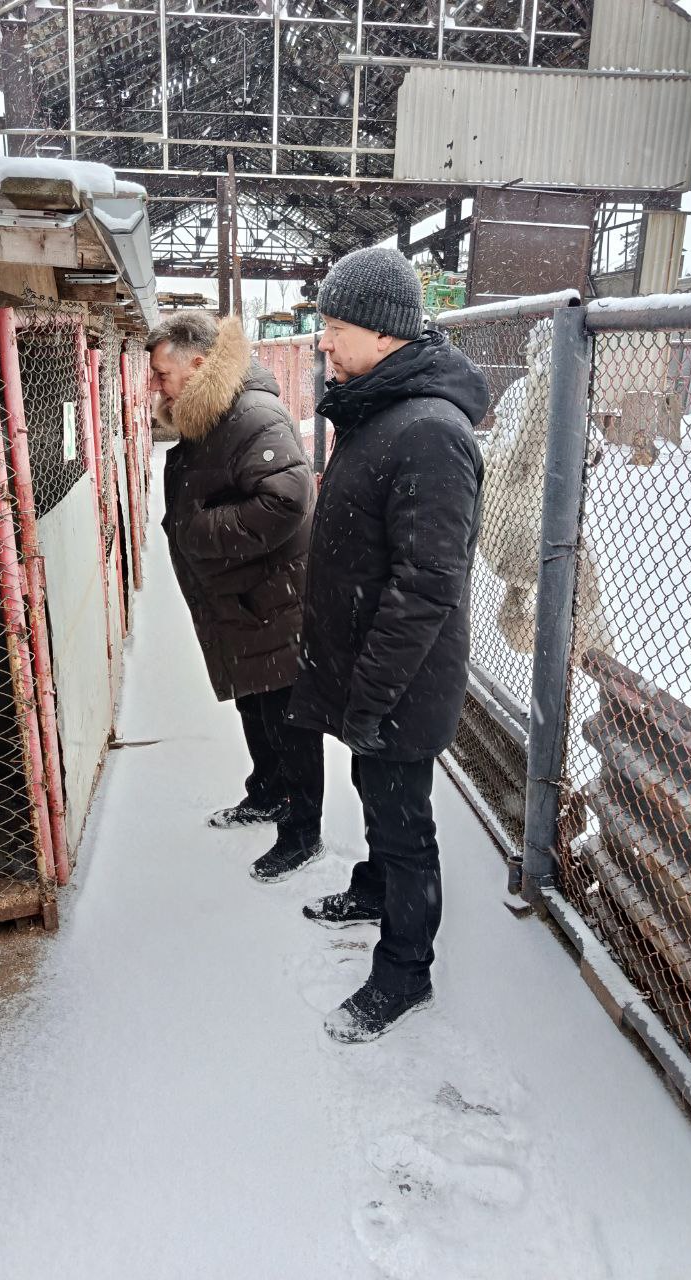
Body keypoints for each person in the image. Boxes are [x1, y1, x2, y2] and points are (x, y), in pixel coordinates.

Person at [288, 247, 489, 1043]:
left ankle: (405, 971)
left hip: (402, 678)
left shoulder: (430, 433)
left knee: (406, 825)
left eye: (335, 327)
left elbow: (427, 585)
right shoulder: (378, 408)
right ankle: (372, 888)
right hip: (369, 669)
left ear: (382, 332)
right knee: (374, 790)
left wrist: (371, 695)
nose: (324, 341)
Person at [148, 310, 325, 883]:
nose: (156, 386)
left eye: (162, 374)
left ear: (198, 365)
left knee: (286, 717)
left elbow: (287, 499)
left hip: (272, 598)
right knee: (256, 703)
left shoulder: (251, 414)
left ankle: (302, 833)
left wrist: (198, 531)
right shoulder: (211, 412)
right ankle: (268, 792)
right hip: (243, 597)